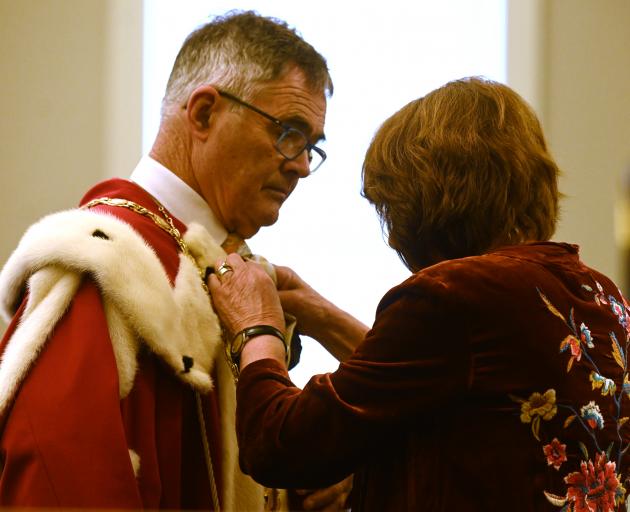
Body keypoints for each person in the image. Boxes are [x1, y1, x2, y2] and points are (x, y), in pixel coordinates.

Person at [209, 77, 630, 511]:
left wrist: (257, 326)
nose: (393, 239)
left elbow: (282, 446)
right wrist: (318, 313)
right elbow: (449, 386)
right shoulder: (604, 296)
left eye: (391, 210)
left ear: (430, 201)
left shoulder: (453, 296)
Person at [0, 10, 351, 511]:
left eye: (310, 146)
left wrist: (300, 487)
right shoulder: (103, 261)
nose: (299, 165)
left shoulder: (232, 271)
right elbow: (58, 473)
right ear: (205, 113)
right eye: (288, 132)